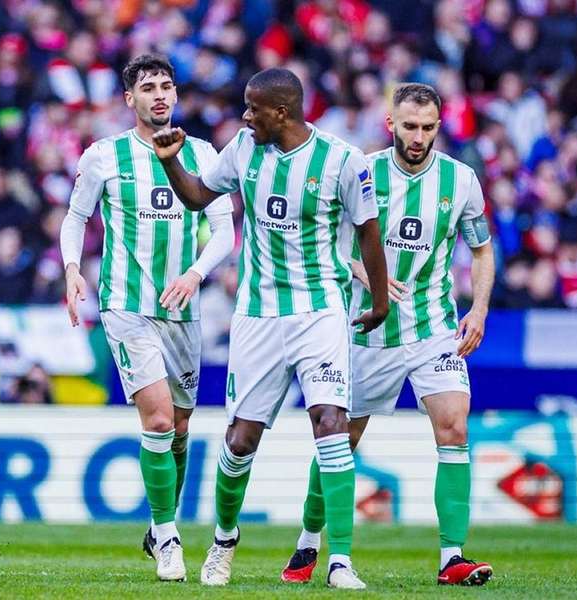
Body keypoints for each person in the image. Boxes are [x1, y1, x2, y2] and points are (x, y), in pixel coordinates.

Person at [153, 67, 390, 589]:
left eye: (253, 108)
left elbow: (369, 232)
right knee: (240, 441)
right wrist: (171, 164)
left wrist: (378, 297)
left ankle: (341, 561)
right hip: (258, 314)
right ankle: (223, 539)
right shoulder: (241, 149)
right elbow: (198, 196)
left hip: (320, 311)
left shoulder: (342, 160)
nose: (245, 116)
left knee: (332, 423)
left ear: (281, 112)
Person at [280, 83, 496, 587]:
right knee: (342, 442)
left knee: (454, 427)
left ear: (438, 127)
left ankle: (452, 557)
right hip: (366, 331)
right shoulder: (361, 172)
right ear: (390, 125)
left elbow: (482, 250)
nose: (418, 137)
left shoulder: (461, 180)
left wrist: (479, 308)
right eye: (409, 126)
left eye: (427, 128)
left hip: (434, 329)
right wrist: (362, 271)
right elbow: (325, 244)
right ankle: (309, 540)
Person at [59, 54, 235, 582]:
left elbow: (225, 231)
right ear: (129, 100)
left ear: (176, 95)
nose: (159, 95)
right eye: (148, 88)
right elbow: (75, 218)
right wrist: (72, 269)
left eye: (166, 86)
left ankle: (159, 525)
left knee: (180, 430)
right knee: (157, 421)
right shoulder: (104, 155)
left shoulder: (204, 153)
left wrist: (197, 273)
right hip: (126, 305)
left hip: (183, 310)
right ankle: (170, 538)